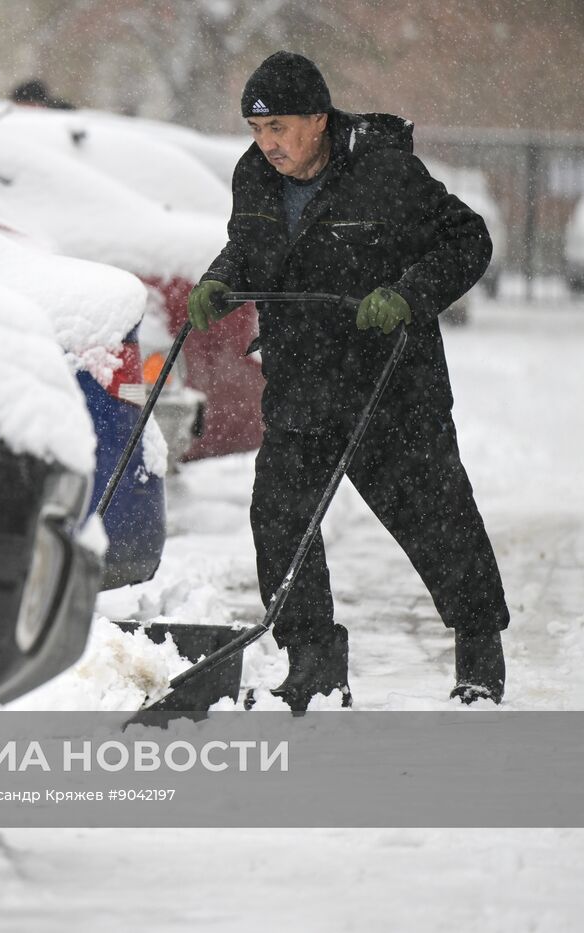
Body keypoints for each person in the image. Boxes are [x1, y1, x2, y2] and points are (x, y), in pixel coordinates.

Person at [187, 51, 509, 709]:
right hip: (301, 380)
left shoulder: (384, 172)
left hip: (389, 384)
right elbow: (250, 246)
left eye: (278, 127)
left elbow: (467, 240)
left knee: (434, 518)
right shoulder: (253, 177)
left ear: (318, 118)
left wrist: (408, 293)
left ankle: (479, 648)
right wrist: (220, 279)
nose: (266, 144)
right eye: (257, 130)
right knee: (279, 517)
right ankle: (313, 661)